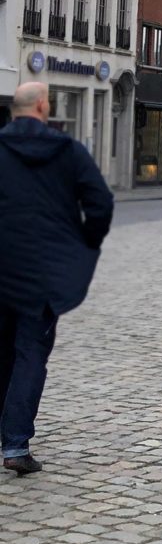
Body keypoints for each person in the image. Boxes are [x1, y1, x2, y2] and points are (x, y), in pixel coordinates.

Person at [0, 79, 114, 477]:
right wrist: (84, 243)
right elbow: (100, 203)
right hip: (40, 271)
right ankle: (15, 444)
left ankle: (9, 436)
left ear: (15, 109)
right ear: (44, 108)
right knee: (30, 352)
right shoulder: (67, 151)